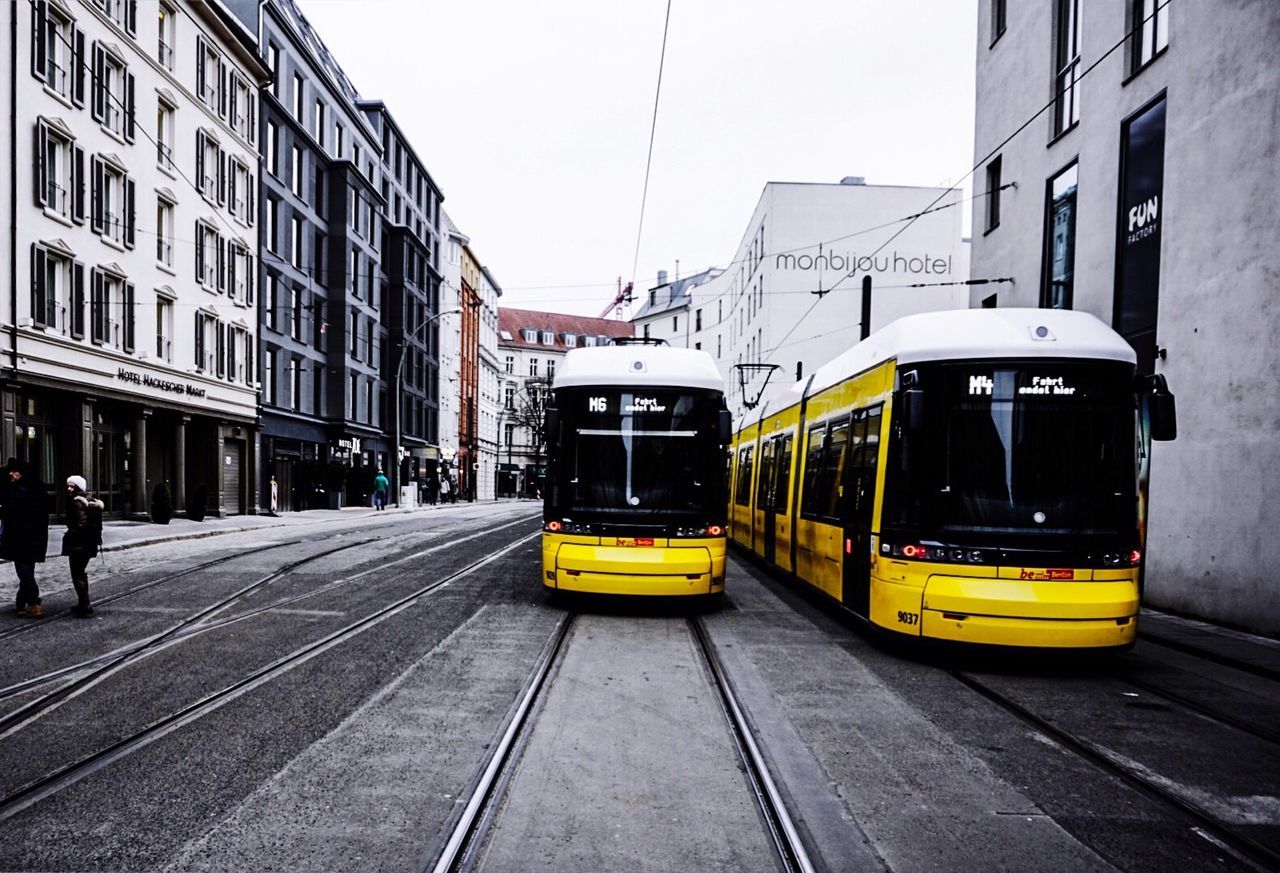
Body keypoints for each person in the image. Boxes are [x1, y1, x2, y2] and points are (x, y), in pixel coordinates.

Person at [1, 458, 50, 618]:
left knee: (23, 569)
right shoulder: (36, 488)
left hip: (21, 537)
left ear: (20, 473)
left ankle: (34, 603)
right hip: (36, 537)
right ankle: (21, 603)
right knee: (27, 568)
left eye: (13, 471)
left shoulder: (20, 491)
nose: (11, 474)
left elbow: (8, 511)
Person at [61, 475, 104, 617]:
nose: (69, 488)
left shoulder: (77, 502)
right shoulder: (90, 501)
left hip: (79, 545)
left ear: (78, 488)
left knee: (77, 574)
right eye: (68, 485)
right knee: (80, 573)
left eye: (72, 486)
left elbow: (81, 524)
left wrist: (70, 535)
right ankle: (83, 602)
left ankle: (84, 604)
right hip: (89, 544)